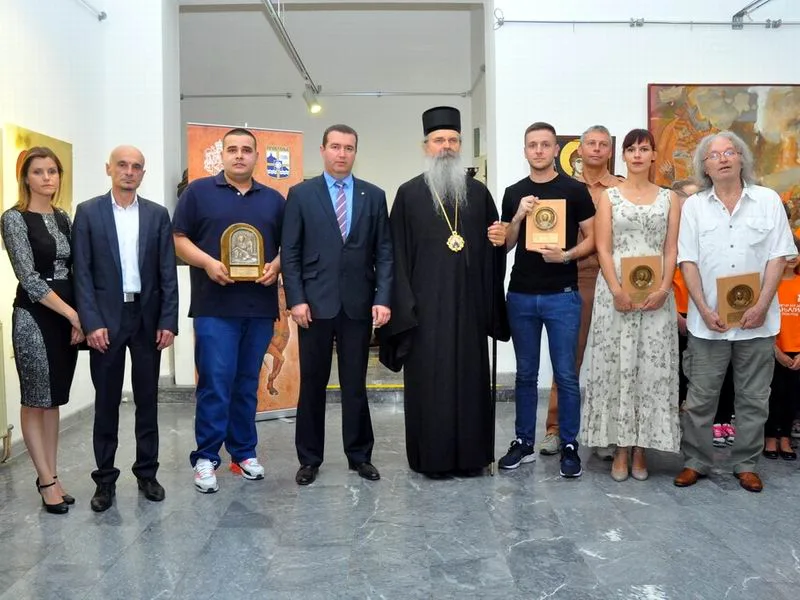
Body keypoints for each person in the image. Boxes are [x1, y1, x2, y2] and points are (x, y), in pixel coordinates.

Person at [377, 106, 508, 478]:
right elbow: (396, 255)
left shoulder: (478, 194)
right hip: (425, 313)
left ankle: (471, 457)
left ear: (461, 146)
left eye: (453, 140)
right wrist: (405, 309)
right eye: (439, 140)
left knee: (469, 383)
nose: (446, 146)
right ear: (426, 146)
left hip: (468, 311)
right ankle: (431, 459)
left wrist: (499, 240)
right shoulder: (408, 195)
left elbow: (493, 249)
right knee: (429, 386)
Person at [674, 131, 797, 493]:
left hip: (757, 323)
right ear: (705, 167)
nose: (723, 158)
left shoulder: (767, 201)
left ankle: (746, 464)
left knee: (753, 398)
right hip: (707, 322)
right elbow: (687, 261)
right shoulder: (694, 207)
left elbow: (778, 257)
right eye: (714, 155)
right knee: (700, 398)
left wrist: (761, 306)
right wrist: (701, 308)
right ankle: (696, 461)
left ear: (742, 159)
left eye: (730, 152)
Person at [173, 128, 284, 494]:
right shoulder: (198, 193)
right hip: (214, 307)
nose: (239, 155)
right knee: (215, 383)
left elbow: (290, 244)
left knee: (247, 384)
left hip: (259, 307)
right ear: (221, 155)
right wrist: (207, 263)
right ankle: (206, 457)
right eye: (232, 149)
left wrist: (277, 265)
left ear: (256, 156)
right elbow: (178, 239)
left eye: (246, 150)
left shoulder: (274, 200)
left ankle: (243, 453)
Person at [281, 124, 393, 486]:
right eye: (335, 146)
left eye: (348, 148)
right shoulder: (301, 194)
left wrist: (383, 298)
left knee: (355, 384)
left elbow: (385, 252)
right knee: (312, 384)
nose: (341, 153)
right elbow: (290, 252)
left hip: (358, 304)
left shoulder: (373, 196)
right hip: (313, 306)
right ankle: (309, 459)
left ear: (355, 152)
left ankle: (360, 456)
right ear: (322, 150)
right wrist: (296, 299)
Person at [72, 146, 178, 512]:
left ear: (143, 174)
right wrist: (91, 322)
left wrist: (168, 320)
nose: (129, 171)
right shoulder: (88, 212)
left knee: (148, 401)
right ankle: (105, 480)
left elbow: (167, 272)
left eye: (136, 167)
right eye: (122, 165)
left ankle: (147, 473)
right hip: (105, 321)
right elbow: (82, 273)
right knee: (106, 403)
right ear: (109, 169)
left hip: (147, 319)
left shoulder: (157, 214)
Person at [581, 129, 681, 481]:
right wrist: (616, 289)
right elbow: (603, 248)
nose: (637, 154)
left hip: (656, 297)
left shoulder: (669, 198)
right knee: (617, 367)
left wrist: (664, 288)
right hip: (616, 293)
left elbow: (671, 248)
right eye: (631, 149)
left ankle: (641, 449)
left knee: (650, 370)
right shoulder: (609, 197)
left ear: (653, 155)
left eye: (644, 148)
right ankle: (620, 448)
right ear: (622, 156)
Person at [498, 122, 596, 478]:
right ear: (525, 151)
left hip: (562, 296)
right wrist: (518, 216)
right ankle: (523, 442)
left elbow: (594, 238)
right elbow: (505, 244)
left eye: (545, 144)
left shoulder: (575, 190)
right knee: (525, 374)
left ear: (556, 149)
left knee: (566, 374)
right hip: (521, 295)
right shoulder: (513, 192)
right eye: (532, 145)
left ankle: (569, 444)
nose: (538, 150)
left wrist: (567, 255)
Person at [1, 147, 83, 515]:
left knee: (53, 400)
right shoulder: (14, 218)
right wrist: (72, 315)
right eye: (39, 171)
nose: (48, 177)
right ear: (25, 178)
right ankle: (45, 480)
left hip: (67, 316)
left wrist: (79, 316)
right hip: (34, 317)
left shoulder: (64, 217)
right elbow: (29, 278)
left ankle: (52, 475)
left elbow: (77, 269)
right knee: (35, 400)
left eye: (53, 171)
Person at [541, 125, 623, 457]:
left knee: (612, 359)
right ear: (579, 149)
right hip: (576, 277)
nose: (597, 149)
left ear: (610, 151)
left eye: (603, 144)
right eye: (591, 143)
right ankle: (555, 429)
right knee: (568, 358)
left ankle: (607, 434)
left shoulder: (621, 188)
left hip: (615, 280)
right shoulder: (561, 187)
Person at [672, 179, 736, 444]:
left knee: (718, 369)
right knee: (677, 372)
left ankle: (721, 418)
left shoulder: (715, 231)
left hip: (711, 313)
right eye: (687, 198)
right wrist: (675, 315)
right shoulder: (669, 237)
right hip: (677, 314)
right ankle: (674, 423)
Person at [763, 234, 800, 461]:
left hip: (797, 354)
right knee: (773, 395)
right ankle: (769, 436)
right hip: (774, 351)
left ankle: (785, 437)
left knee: (792, 397)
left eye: (797, 252)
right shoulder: (771, 286)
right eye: (788, 252)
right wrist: (776, 351)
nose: (793, 257)